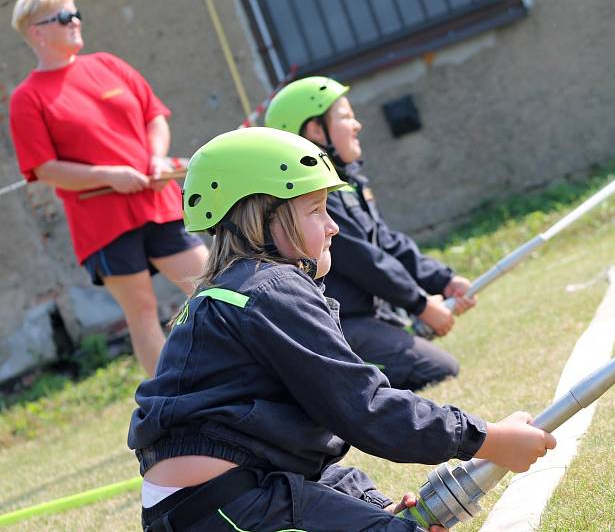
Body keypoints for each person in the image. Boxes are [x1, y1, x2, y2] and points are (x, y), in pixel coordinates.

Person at [127, 127, 556, 532]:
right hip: (227, 506)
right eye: (315, 210)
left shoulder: (238, 291)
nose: (332, 225)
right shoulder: (271, 288)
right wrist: (487, 440)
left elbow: (307, 446)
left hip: (226, 496)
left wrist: (369, 505)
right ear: (260, 220)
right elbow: (364, 407)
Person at [9, 0, 208, 376]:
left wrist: (156, 157)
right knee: (142, 311)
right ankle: (169, 404)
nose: (76, 21)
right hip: (102, 223)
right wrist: (109, 176)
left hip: (159, 202)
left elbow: (155, 117)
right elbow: (45, 169)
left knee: (211, 288)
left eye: (76, 13)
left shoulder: (108, 65)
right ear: (37, 32)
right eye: (65, 17)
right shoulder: (26, 98)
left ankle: (249, 366)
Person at [265, 76, 476, 391]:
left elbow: (386, 241)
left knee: (435, 362)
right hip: (337, 323)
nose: (357, 125)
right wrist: (421, 304)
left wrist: (441, 280)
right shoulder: (314, 197)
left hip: (366, 315)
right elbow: (365, 260)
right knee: (439, 368)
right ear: (314, 131)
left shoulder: (348, 184)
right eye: (346, 116)